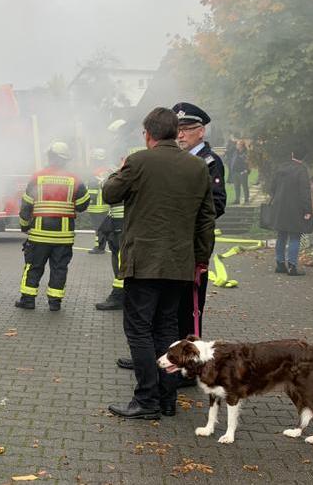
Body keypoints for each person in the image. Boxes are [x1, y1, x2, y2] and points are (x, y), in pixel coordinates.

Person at [104, 107, 215, 420]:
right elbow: (206, 218)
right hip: (180, 264)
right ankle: (167, 401)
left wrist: (121, 168)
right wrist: (202, 258)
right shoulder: (197, 167)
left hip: (144, 264)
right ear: (175, 131)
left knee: (139, 331)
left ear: (148, 134)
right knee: (167, 329)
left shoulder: (138, 161)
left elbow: (110, 193)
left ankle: (146, 400)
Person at [15, 141, 90, 312]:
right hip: (63, 237)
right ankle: (55, 303)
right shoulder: (74, 179)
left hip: (39, 236)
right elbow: (83, 204)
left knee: (33, 267)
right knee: (59, 269)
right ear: (65, 160)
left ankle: (28, 300)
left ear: (49, 156)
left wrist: (24, 226)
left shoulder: (38, 177)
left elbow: (26, 205)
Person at [268, 148, 313, 276]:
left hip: (279, 207)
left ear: (292, 154)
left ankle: (280, 264)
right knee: (295, 236)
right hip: (295, 208)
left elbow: (272, 188)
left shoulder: (281, 167)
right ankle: (292, 266)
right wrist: (307, 210)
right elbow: (305, 192)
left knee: (281, 235)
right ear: (304, 157)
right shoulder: (302, 170)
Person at [94, 191, 125, 311]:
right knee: (120, 257)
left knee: (122, 260)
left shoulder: (131, 174)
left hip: (123, 224)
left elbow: (109, 194)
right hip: (120, 224)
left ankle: (118, 297)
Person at [86, 148, 111, 254]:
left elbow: (91, 189)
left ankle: (99, 247)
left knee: (98, 228)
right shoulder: (108, 171)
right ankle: (105, 245)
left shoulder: (94, 172)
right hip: (106, 204)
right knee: (104, 227)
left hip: (96, 205)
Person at [231, 141, 250, 205]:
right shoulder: (235, 152)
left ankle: (246, 199)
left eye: (238, 144)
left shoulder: (245, 153)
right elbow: (233, 160)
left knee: (244, 186)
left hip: (242, 172)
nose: (236, 145)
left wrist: (246, 170)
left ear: (241, 146)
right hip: (235, 172)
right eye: (237, 144)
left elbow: (247, 162)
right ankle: (237, 200)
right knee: (236, 186)